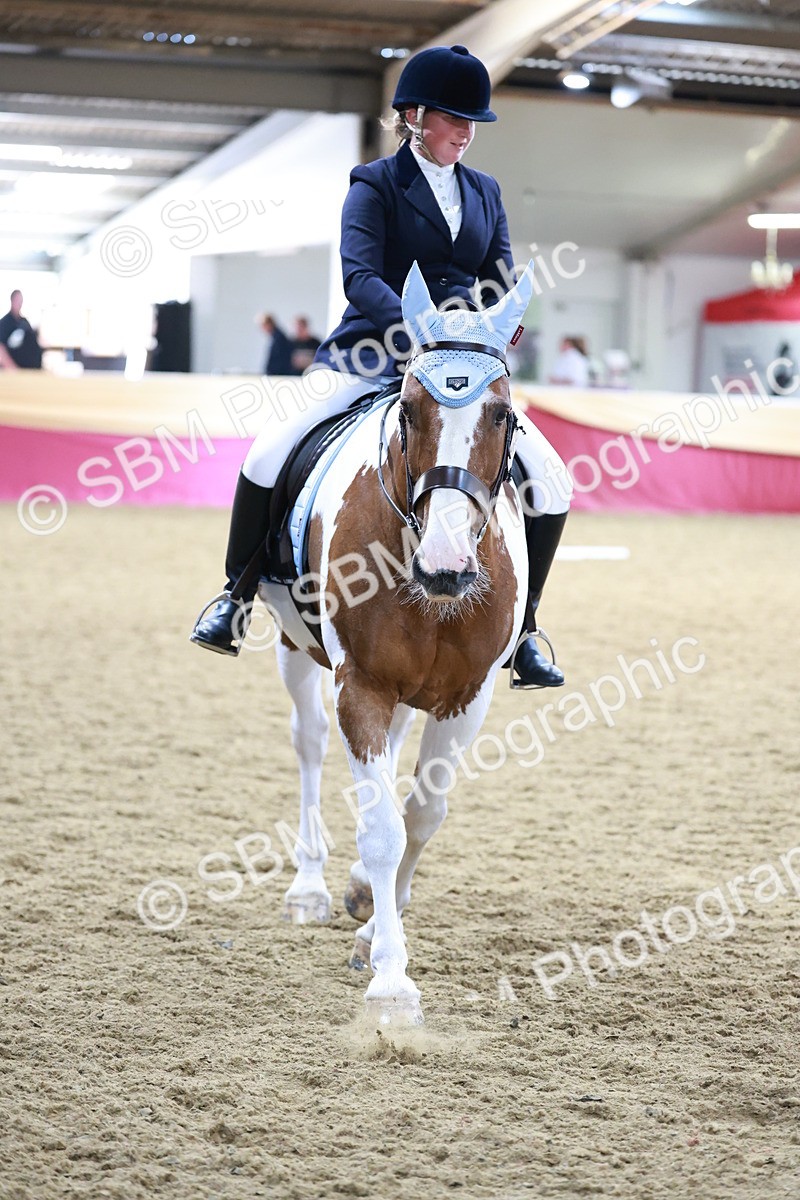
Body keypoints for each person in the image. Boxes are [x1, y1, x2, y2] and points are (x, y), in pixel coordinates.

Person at [191, 44, 573, 688]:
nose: (467, 131)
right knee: (269, 450)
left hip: (462, 371)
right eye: (454, 117)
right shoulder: (373, 185)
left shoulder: (486, 191)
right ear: (415, 116)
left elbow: (498, 273)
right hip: (372, 354)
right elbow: (360, 276)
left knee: (552, 478)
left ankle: (528, 628)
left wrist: (497, 321)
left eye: (472, 120)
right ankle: (236, 595)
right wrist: (417, 329)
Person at [0, 291, 43, 369]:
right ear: (12, 300)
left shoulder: (24, 322)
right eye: (17, 300)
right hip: (12, 369)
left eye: (21, 301)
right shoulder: (4, 323)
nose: (19, 303)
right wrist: (12, 368)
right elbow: (1, 349)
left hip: (29, 369)